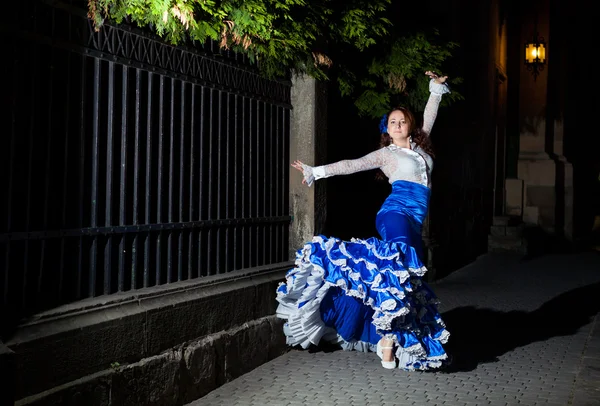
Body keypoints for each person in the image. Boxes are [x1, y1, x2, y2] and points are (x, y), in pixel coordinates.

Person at [276, 71, 451, 370]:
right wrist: (316, 172)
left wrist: (435, 88)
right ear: (388, 129)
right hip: (394, 213)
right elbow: (352, 165)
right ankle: (386, 340)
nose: (397, 125)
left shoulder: (421, 149)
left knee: (407, 278)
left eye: (402, 120)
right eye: (392, 122)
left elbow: (430, 113)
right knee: (395, 266)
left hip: (416, 219)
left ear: (409, 125)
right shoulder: (387, 155)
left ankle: (390, 332)